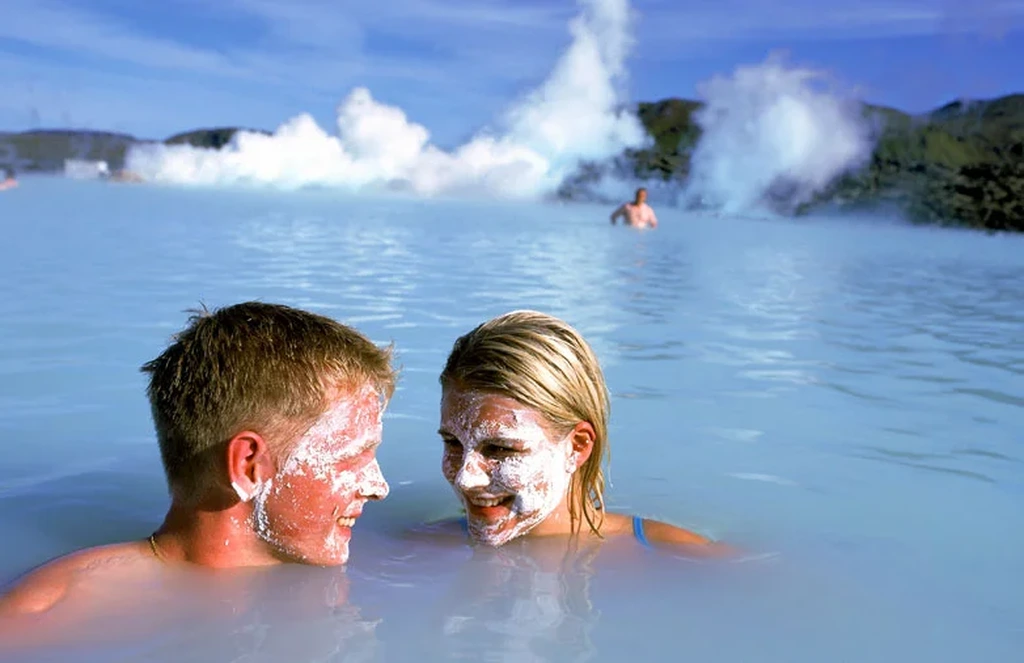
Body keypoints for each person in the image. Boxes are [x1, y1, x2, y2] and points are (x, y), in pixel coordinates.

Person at [0, 302, 395, 617]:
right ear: (247, 466)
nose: (379, 486)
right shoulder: (49, 612)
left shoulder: (367, 563)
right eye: (351, 456)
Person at [433, 310, 730, 554]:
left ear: (576, 446)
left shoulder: (677, 557)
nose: (465, 478)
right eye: (453, 443)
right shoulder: (416, 549)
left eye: (500, 449)